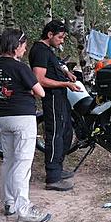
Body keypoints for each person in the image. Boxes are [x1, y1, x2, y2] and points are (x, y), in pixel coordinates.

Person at [0, 28, 51, 222]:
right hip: (23, 119)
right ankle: (24, 210)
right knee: (22, 164)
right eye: (24, 46)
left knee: (8, 161)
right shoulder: (20, 67)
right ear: (16, 46)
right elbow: (40, 92)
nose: (25, 50)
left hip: (4, 118)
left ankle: (9, 203)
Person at [29, 20, 81, 191]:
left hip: (60, 97)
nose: (62, 40)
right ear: (49, 35)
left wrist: (66, 73)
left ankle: (57, 169)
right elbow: (39, 80)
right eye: (60, 37)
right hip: (51, 98)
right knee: (54, 135)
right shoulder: (39, 51)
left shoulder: (47, 50)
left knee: (66, 132)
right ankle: (52, 177)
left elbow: (56, 65)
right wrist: (65, 84)